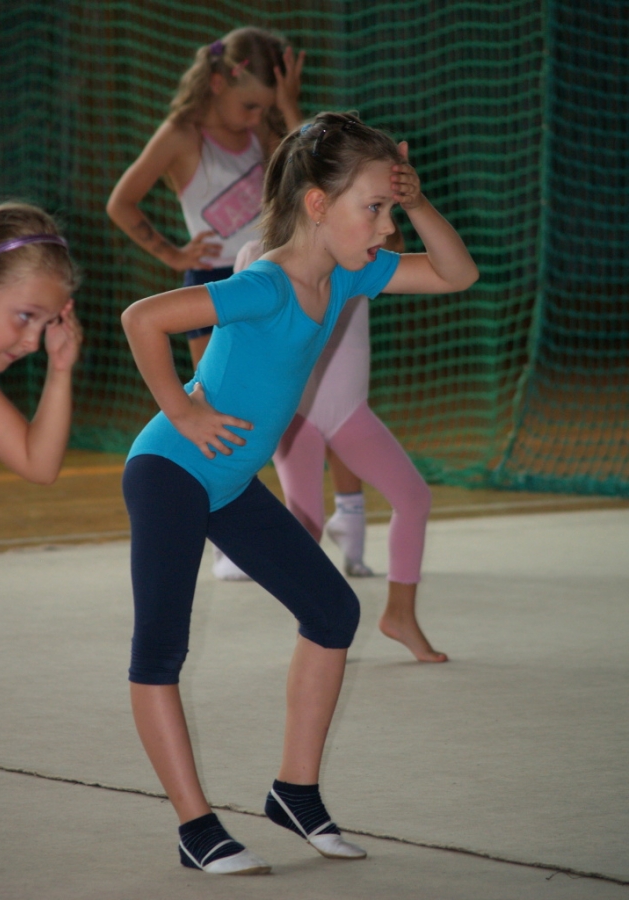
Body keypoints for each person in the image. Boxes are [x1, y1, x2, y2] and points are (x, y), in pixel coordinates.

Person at [120, 110, 478, 876]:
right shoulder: (263, 285)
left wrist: (415, 201)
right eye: (372, 208)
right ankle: (195, 829)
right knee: (161, 649)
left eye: (387, 209)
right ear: (317, 204)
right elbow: (143, 318)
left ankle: (295, 793)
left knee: (332, 612)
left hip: (226, 482)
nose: (384, 227)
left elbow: (456, 274)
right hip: (170, 471)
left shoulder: (347, 273)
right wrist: (182, 410)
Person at [235, 225, 445, 663]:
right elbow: (242, 338)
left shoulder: (360, 252)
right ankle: (314, 629)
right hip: (295, 416)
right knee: (304, 526)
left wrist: (403, 204)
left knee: (413, 498)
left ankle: (399, 615)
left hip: (349, 412)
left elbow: (402, 249)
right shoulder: (258, 255)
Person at [0, 201, 82, 837]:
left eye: (46, 322)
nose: (32, 341)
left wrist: (60, 371)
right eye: (25, 316)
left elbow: (38, 462)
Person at [106, 26, 304, 369]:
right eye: (250, 106)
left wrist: (288, 107)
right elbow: (120, 203)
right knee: (215, 390)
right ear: (217, 83)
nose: (258, 116)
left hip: (265, 271)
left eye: (265, 108)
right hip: (212, 281)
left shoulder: (258, 130)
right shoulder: (180, 134)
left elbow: (305, 172)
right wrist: (173, 255)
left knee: (273, 382)